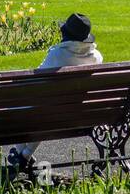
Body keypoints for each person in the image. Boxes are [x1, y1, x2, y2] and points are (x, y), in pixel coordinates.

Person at [8, 13, 103, 172]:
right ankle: (23, 155)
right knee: (46, 111)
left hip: (52, 114)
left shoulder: (58, 55)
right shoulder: (97, 57)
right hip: (83, 114)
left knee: (26, 108)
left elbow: (36, 81)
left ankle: (21, 153)